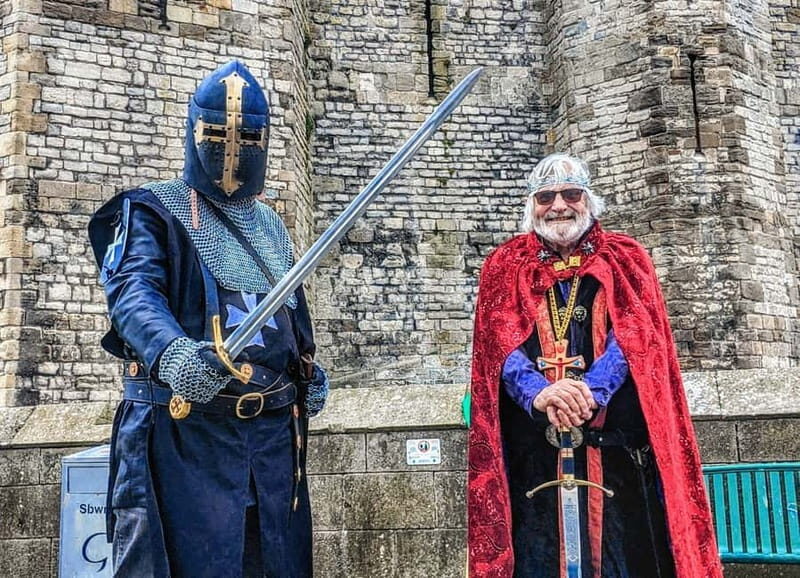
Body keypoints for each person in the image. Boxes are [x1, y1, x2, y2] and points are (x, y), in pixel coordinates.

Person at [88, 60, 328, 577]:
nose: (233, 148)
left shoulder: (270, 227)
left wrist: (305, 371)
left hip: (270, 446)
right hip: (185, 438)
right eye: (219, 132)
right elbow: (133, 295)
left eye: (248, 136)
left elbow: (291, 314)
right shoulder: (153, 210)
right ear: (194, 130)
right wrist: (173, 353)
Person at [467, 153, 722, 577]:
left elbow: (637, 336)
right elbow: (496, 344)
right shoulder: (503, 264)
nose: (559, 206)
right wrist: (538, 391)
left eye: (571, 194)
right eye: (546, 197)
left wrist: (591, 390)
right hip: (534, 464)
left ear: (589, 200)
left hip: (617, 460)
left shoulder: (625, 257)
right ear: (532, 205)